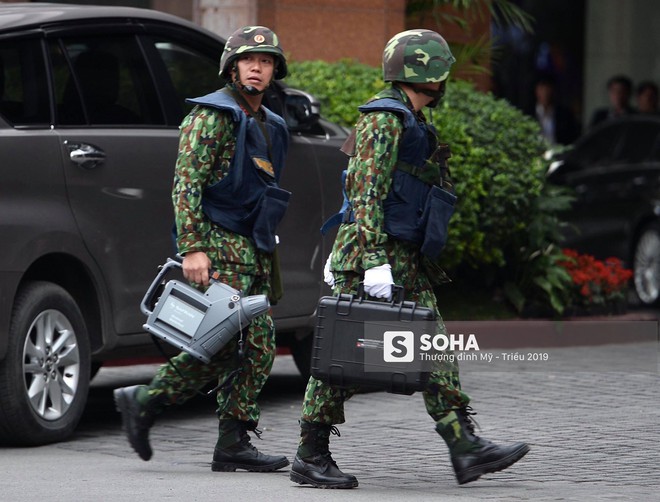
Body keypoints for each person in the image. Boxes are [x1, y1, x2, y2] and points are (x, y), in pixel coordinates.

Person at [289, 29, 530, 489]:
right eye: (440, 71)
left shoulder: (411, 121)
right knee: (343, 355)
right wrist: (373, 261)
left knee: (434, 344)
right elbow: (364, 194)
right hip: (372, 258)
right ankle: (310, 453)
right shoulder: (384, 119)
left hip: (403, 258)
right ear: (425, 73)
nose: (444, 80)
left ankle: (463, 445)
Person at [113, 26, 291, 473]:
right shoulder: (210, 116)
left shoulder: (271, 124)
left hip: (252, 248)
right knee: (239, 342)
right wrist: (193, 248)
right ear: (232, 68)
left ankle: (227, 439)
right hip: (215, 243)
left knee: (252, 347)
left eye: (265, 62)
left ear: (274, 71)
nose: (256, 68)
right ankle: (150, 400)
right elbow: (185, 185)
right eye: (248, 61)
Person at [526, 74, 580, 145]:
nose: (545, 93)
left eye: (547, 88)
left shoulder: (564, 115)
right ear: (536, 90)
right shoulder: (527, 114)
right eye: (541, 88)